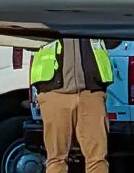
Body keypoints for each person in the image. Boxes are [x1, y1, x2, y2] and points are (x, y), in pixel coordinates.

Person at [30, 37, 121, 173]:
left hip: (91, 92)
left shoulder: (89, 16)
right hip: (54, 91)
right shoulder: (45, 16)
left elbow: (113, 39)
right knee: (56, 159)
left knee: (98, 158)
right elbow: (26, 38)